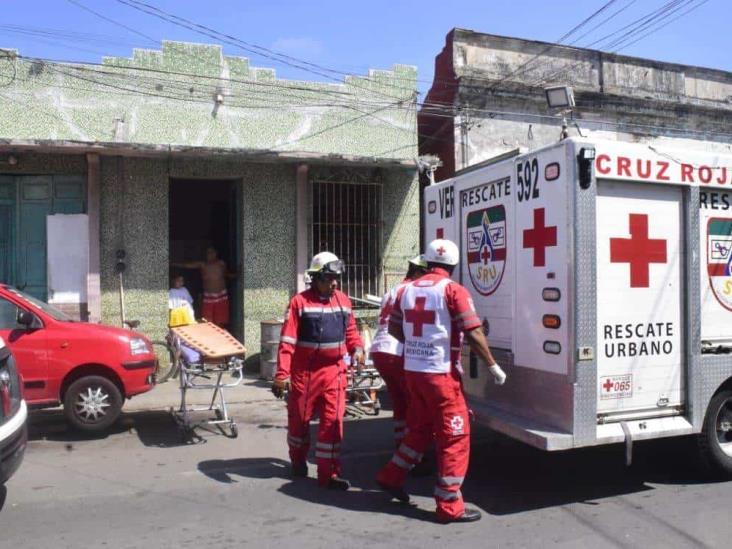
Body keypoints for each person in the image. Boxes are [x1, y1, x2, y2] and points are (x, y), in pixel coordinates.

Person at [375, 238, 507, 524]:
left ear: (428, 261)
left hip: (414, 372)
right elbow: (472, 332)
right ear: (453, 264)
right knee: (454, 436)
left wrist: (417, 347)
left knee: (421, 428)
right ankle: (449, 506)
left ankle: (391, 475)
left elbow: (395, 328)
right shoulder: (453, 290)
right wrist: (493, 365)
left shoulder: (405, 290)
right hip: (441, 377)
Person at [271, 251, 365, 490]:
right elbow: (287, 342)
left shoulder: (343, 300)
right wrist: (282, 375)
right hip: (305, 374)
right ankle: (298, 459)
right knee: (299, 423)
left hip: (335, 372)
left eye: (336, 278)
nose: (334, 282)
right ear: (315, 278)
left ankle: (329, 474)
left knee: (333, 424)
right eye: (328, 278)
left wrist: (358, 348)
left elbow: (351, 332)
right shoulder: (299, 303)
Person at [370, 255, 428, 447]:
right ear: (418, 272)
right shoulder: (413, 290)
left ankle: (400, 444)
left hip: (379, 349)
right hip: (396, 350)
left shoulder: (393, 289)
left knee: (399, 400)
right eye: (425, 273)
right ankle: (412, 452)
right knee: (413, 402)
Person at [174, 247, 231, 328]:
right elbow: (186, 265)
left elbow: (226, 275)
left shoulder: (221, 263)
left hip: (222, 296)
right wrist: (173, 263)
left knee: (221, 321)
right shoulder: (203, 264)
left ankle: (220, 336)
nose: (210, 254)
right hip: (208, 297)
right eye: (208, 253)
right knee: (207, 321)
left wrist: (237, 274)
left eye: (212, 252)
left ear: (216, 253)